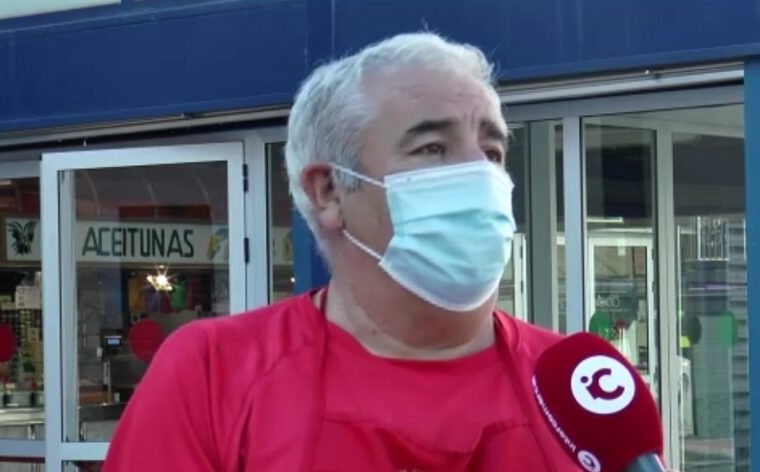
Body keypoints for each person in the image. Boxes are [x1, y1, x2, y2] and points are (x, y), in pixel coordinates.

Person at [104, 32, 580, 471]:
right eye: (434, 148)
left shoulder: (582, 389)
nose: (481, 173)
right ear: (330, 191)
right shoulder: (214, 375)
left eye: (493, 152)